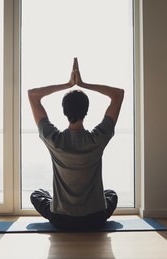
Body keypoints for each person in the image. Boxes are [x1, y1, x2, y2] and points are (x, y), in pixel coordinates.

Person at [28, 58, 124, 230]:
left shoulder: (54, 139)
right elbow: (118, 94)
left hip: (62, 220)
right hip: (95, 218)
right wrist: (83, 84)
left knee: (37, 195)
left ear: (64, 111)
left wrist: (68, 84)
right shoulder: (98, 138)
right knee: (111, 195)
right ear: (86, 111)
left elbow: (32, 95)